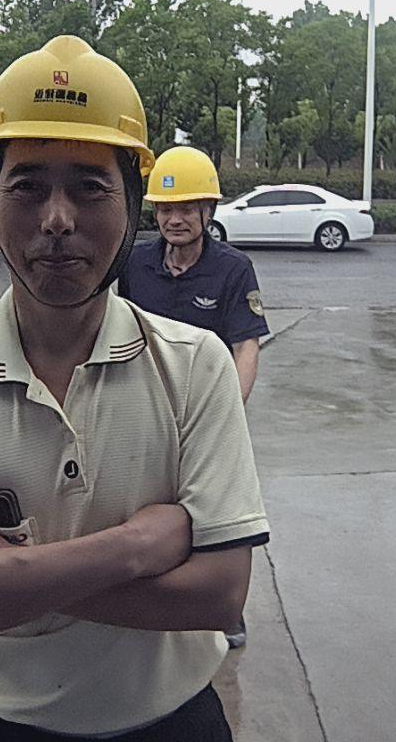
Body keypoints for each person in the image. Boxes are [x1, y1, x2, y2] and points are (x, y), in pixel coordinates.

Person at [0, 35, 269, 742]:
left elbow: (217, 595)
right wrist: (136, 547)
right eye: (27, 186)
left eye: (89, 187)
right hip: (2, 726)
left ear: (131, 204)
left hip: (175, 724)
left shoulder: (197, 366)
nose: (57, 219)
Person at [118, 145, 269, 648]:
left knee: (219, 516)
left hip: (206, 414)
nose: (174, 220)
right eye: (165, 209)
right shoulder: (135, 263)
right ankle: (152, 594)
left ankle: (225, 608)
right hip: (145, 411)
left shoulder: (233, 269)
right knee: (146, 508)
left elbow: (246, 345)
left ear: (208, 211)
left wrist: (228, 412)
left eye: (186, 208)